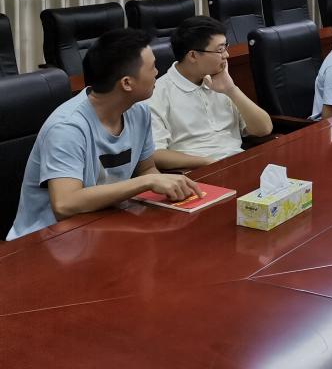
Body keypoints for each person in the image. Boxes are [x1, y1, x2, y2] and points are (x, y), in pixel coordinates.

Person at [6, 29, 200, 241]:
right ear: (127, 83)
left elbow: (146, 170)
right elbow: (65, 204)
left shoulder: (139, 111)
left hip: (103, 224)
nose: (157, 72)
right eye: (152, 67)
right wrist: (147, 182)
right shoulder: (67, 127)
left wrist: (169, 189)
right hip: (46, 239)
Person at [147, 17, 273, 170]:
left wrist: (231, 89)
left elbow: (264, 129)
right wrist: (208, 162)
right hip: (196, 172)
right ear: (193, 56)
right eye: (220, 50)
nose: (226, 55)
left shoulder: (220, 81)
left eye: (225, 47)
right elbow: (156, 154)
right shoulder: (157, 94)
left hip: (238, 164)